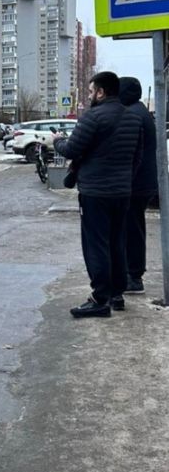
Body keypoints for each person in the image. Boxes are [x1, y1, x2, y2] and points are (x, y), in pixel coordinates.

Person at [53, 71, 142, 318]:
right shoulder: (133, 118)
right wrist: (124, 180)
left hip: (95, 193)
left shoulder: (92, 117)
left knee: (96, 245)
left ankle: (99, 298)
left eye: (92, 91)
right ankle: (117, 294)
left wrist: (57, 141)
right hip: (122, 192)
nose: (90, 95)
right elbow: (138, 157)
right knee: (117, 241)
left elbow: (71, 149)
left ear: (101, 92)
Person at [119, 76, 158, 294]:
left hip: (135, 183)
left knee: (131, 230)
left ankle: (133, 277)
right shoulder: (140, 111)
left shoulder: (133, 114)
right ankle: (132, 274)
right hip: (142, 182)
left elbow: (131, 152)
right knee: (133, 227)